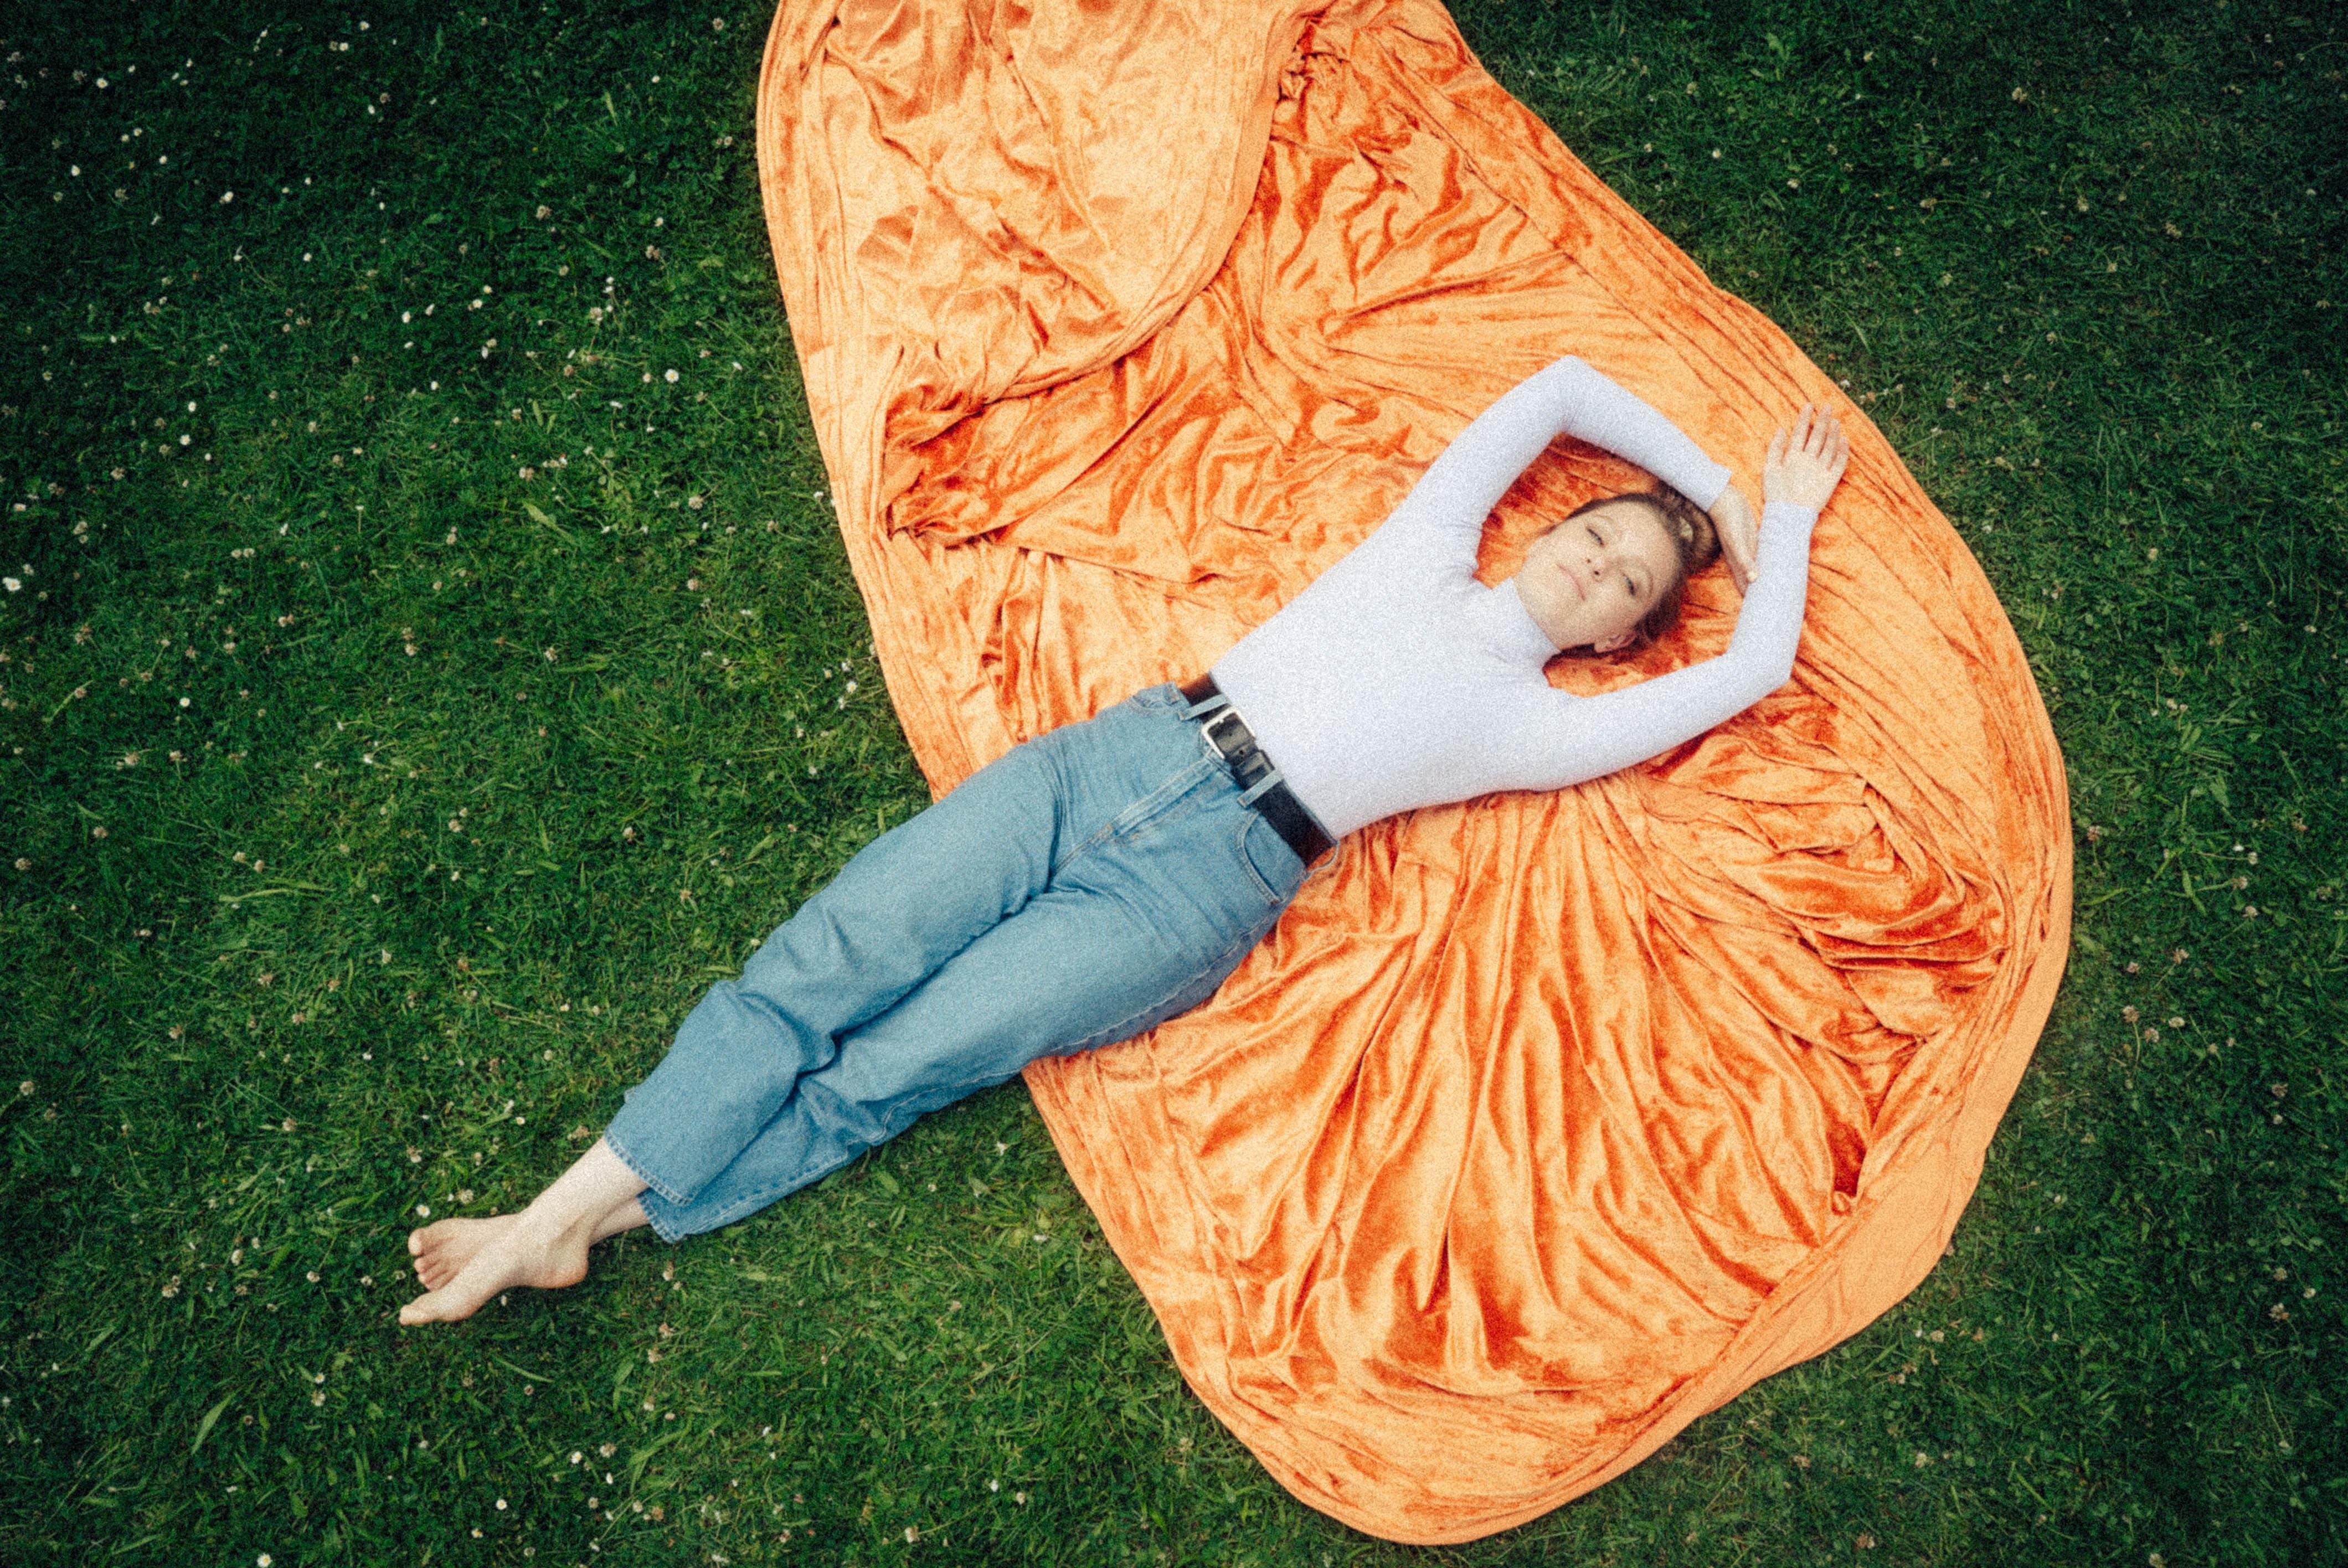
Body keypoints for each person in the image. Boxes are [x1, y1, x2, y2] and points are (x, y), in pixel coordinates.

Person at [399, 355, 1850, 1325]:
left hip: (1196, 893)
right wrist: (1717, 496)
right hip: (1120, 755)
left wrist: (1778, 532)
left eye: (1630, 583)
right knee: (832, 956)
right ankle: (553, 1217)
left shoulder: (1536, 724)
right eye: (1597, 534)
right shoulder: (1423, 547)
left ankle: (582, 1225)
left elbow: (1754, 667)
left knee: (906, 1060)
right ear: (1544, 529)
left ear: (1618, 641)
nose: (1598, 563)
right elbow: (1564, 387)